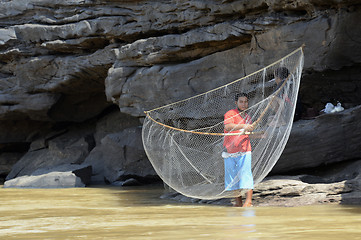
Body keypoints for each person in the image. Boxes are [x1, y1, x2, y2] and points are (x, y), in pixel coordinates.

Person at [223, 93, 254, 207]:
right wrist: (244, 126)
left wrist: (259, 135)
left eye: (246, 102)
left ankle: (248, 201)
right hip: (229, 151)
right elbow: (228, 127)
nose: (244, 104)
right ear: (236, 103)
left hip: (244, 150)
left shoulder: (247, 117)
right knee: (233, 177)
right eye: (241, 102)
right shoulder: (230, 114)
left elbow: (247, 134)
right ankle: (238, 202)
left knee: (245, 174)